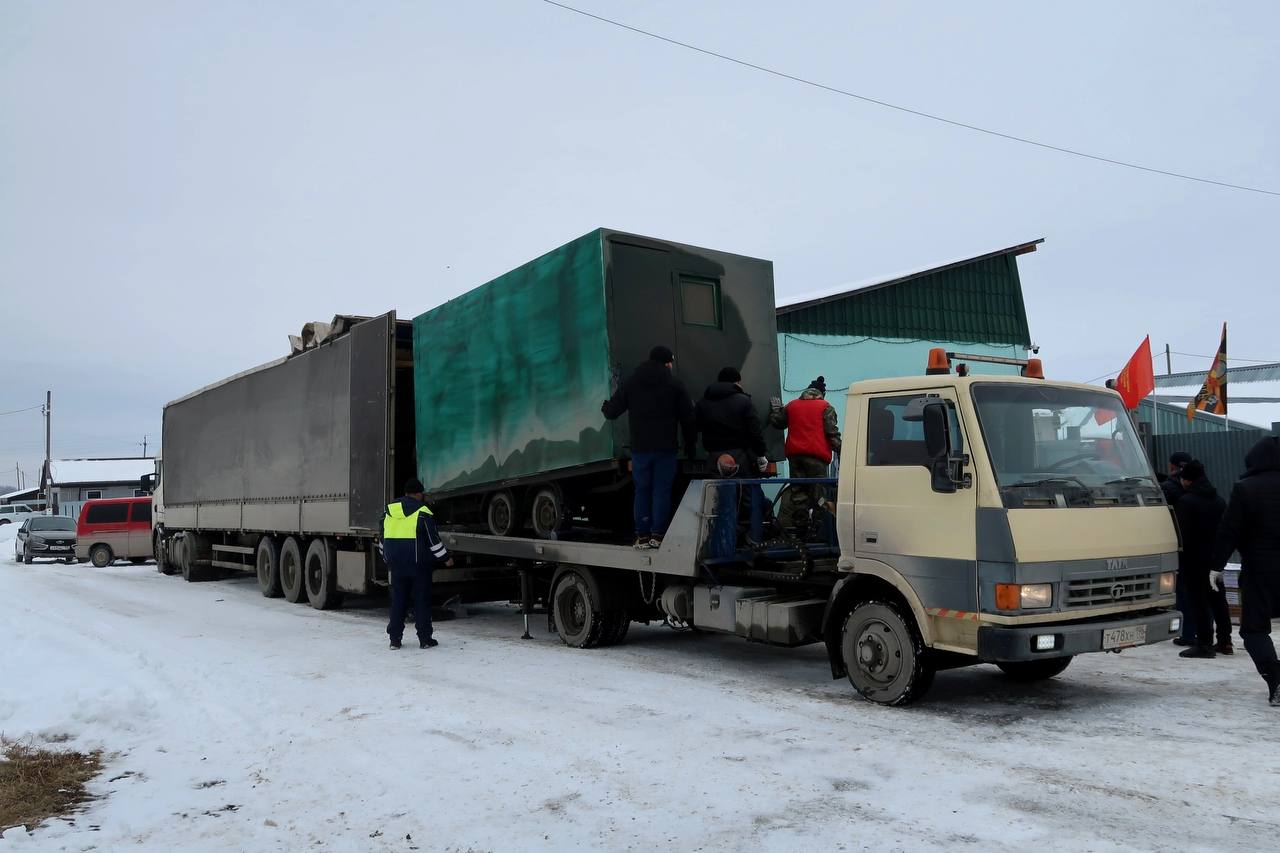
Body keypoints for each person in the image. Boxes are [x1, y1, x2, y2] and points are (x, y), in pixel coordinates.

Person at [602, 345, 696, 550]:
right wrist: (691, 446)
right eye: (670, 361)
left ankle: (641, 536)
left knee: (642, 490)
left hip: (641, 449)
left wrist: (605, 406)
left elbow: (612, 412)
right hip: (666, 449)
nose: (671, 365)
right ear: (666, 362)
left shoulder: (632, 382)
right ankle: (658, 535)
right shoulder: (674, 384)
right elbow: (688, 418)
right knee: (661, 491)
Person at [1211, 435, 1280, 706]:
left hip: (1260, 571)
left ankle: (1275, 677)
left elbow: (1229, 531)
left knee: (1253, 629)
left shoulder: (1246, 488)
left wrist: (1215, 565)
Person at [382, 477, 453, 650]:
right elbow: (433, 542)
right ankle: (425, 639)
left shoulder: (389, 511)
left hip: (396, 564)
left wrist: (386, 558)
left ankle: (395, 640)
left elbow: (382, 540)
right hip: (418, 565)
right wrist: (445, 558)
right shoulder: (423, 512)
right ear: (419, 494)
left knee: (398, 601)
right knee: (421, 601)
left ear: (406, 493)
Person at [1173, 461, 1232, 658]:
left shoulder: (1186, 501)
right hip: (1215, 558)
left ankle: (1204, 644)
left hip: (1194, 559)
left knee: (1198, 601)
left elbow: (1182, 534)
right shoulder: (1219, 500)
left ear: (1188, 480)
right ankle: (1225, 641)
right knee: (1217, 599)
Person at [768, 376, 842, 530]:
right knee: (819, 493)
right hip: (816, 457)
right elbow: (831, 434)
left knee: (799, 492)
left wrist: (776, 410)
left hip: (795, 457)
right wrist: (842, 450)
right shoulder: (826, 407)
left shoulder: (792, 406)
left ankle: (800, 528)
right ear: (822, 394)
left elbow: (778, 422)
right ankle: (819, 529)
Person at [694, 366, 768, 478]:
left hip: (713, 455)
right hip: (738, 455)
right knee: (742, 490)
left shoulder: (703, 402)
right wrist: (761, 453)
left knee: (716, 491)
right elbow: (754, 431)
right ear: (737, 382)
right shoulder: (744, 401)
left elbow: (696, 426)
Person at [1164, 450, 1196, 645]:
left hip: (1180, 545)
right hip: (1202, 547)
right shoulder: (1202, 487)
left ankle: (1187, 633)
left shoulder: (1168, 488)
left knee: (1183, 591)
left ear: (1172, 466)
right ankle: (1205, 633)